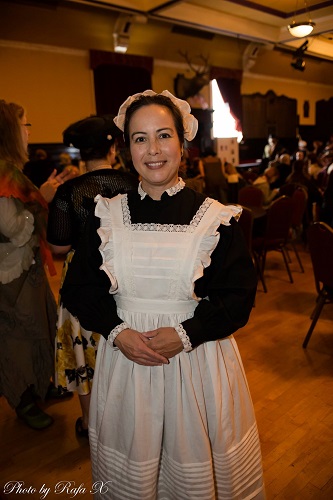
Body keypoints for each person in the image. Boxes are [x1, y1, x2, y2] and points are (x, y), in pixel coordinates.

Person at [61, 90, 265, 498]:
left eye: (163, 136)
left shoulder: (216, 218)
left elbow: (238, 297)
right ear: (126, 149)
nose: (153, 150)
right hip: (127, 365)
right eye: (140, 138)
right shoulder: (106, 214)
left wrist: (186, 333)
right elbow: (79, 288)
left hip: (197, 364)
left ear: (183, 142)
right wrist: (118, 331)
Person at [47, 114, 139, 438]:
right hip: (125, 274)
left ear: (81, 153)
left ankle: (89, 423)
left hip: (82, 279)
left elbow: (58, 246)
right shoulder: (134, 184)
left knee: (82, 347)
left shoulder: (68, 191)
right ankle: (129, 418)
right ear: (112, 147)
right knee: (123, 342)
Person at [0, 99, 59, 429]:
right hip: (11, 276)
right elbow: (14, 229)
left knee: (41, 327)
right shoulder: (2, 174)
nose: (28, 132)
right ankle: (23, 399)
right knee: (19, 338)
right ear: (10, 131)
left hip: (25, 270)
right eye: (25, 125)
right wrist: (44, 198)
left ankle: (41, 386)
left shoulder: (10, 170)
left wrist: (40, 193)